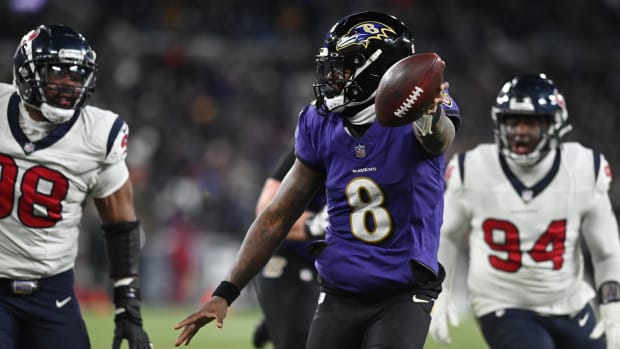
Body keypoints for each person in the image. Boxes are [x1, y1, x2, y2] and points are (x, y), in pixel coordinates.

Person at [175, 10, 460, 349]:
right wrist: (225, 292)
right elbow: (277, 215)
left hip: (403, 290)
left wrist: (428, 116)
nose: (334, 76)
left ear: (380, 69)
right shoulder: (319, 121)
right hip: (340, 291)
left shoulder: (423, 114)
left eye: (346, 66)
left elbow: (439, 138)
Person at [429, 74, 620, 349]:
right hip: (503, 303)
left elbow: (607, 251)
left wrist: (612, 303)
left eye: (530, 122)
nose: (520, 131)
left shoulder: (583, 168)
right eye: (512, 121)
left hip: (569, 301)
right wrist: (441, 292)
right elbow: (446, 235)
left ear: (554, 124)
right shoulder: (473, 169)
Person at [0, 24, 152, 349]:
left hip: (52, 292)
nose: (68, 84)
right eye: (57, 73)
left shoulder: (98, 134)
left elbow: (121, 224)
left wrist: (128, 304)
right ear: (26, 73)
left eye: (76, 75)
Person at [251, 139, 327, 349]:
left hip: (334, 266)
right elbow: (267, 213)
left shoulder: (381, 148)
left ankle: (281, 316)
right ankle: (287, 314)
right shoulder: (316, 144)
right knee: (298, 340)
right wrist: (318, 223)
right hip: (293, 258)